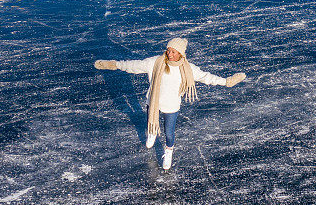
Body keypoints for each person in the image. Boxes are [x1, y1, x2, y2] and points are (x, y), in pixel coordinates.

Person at [94, 37, 245, 170]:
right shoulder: (155, 62)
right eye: (168, 51)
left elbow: (206, 77)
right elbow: (134, 65)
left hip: (171, 105)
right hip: (153, 102)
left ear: (181, 54)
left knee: (169, 132)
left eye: (173, 52)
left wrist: (226, 82)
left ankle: (168, 152)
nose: (169, 54)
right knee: (150, 122)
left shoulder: (188, 69)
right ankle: (152, 133)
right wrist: (113, 64)